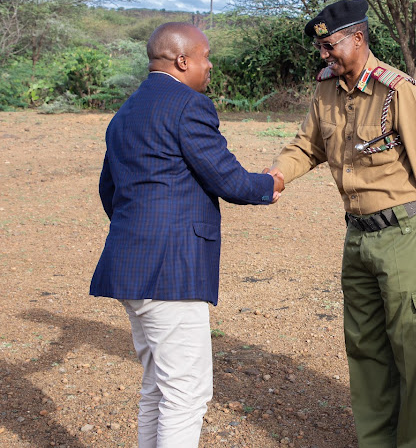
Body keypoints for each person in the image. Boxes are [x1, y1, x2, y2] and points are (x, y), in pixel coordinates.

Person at [267, 0, 416, 447]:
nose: (324, 55)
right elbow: (308, 145)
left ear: (358, 39)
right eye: (321, 49)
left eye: (330, 46)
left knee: (415, 355)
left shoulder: (398, 92)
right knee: (367, 351)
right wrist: (277, 174)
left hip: (404, 237)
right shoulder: (326, 91)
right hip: (357, 239)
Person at [90, 22, 284, 448]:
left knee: (158, 388)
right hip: (170, 274)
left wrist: (140, 231)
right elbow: (227, 179)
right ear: (182, 61)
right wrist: (269, 185)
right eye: (205, 55)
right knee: (186, 394)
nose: (209, 64)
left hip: (130, 268)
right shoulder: (188, 105)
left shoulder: (126, 112)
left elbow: (111, 191)